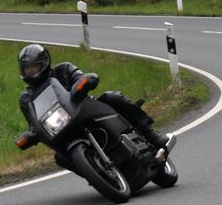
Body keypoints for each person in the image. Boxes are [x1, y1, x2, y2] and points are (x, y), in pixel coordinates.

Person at [17, 43, 175, 157]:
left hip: (85, 109)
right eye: (27, 68)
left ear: (44, 63)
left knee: (112, 97)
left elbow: (82, 77)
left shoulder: (63, 69)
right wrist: (31, 134)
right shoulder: (26, 98)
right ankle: (96, 171)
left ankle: (151, 136)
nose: (31, 71)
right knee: (60, 158)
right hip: (61, 126)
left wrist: (85, 81)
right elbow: (33, 122)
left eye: (34, 67)